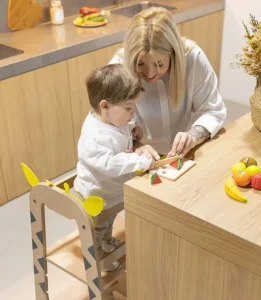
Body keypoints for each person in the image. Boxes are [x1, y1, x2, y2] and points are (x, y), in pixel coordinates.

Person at [109, 7, 226, 159]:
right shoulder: (118, 68)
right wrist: (135, 145)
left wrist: (192, 137)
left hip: (187, 153)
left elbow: (213, 111)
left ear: (173, 53)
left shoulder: (192, 59)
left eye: (159, 64)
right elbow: (108, 125)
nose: (150, 74)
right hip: (137, 157)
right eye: (140, 64)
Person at [74, 64, 156, 269]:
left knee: (109, 222)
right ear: (105, 106)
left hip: (110, 193)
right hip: (96, 195)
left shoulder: (113, 120)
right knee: (98, 227)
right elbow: (109, 163)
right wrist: (139, 161)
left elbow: (122, 132)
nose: (133, 112)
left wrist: (133, 130)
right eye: (129, 108)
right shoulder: (94, 135)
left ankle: (105, 241)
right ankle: (97, 257)